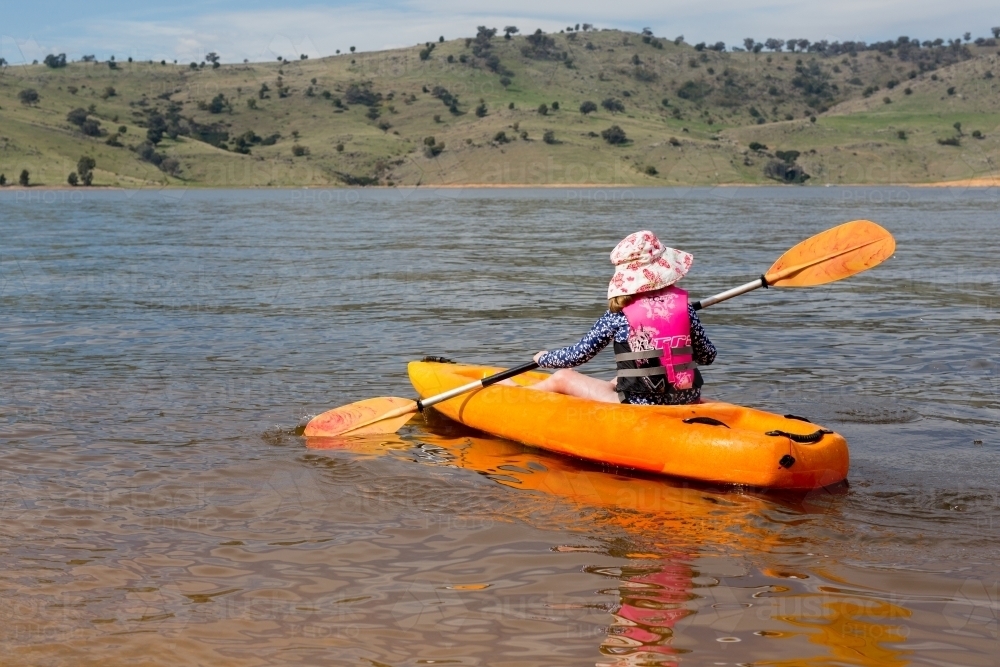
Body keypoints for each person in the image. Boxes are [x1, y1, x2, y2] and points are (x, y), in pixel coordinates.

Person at [527, 230, 716, 405]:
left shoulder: (618, 315)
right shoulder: (686, 310)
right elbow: (708, 356)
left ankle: (517, 396)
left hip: (639, 405)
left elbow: (577, 355)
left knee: (563, 377)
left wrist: (544, 358)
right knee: (620, 378)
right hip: (688, 398)